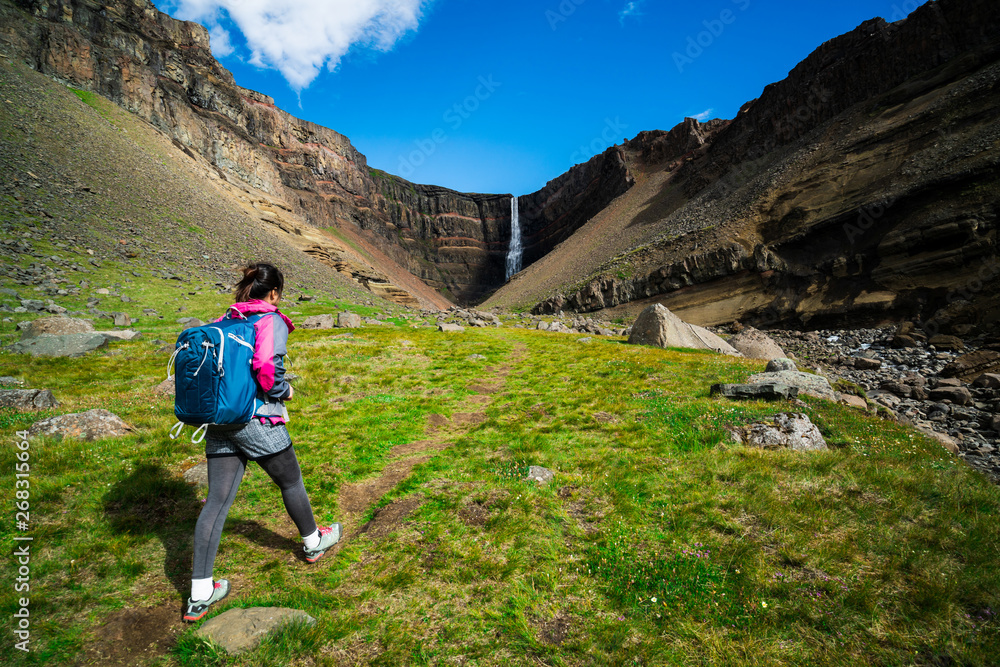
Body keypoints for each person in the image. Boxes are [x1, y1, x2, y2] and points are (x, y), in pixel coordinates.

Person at [184, 262, 341, 623]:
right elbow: (268, 371)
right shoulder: (268, 320)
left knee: (216, 503)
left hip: (220, 420)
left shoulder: (227, 319)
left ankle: (200, 591)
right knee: (290, 480)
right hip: (257, 419)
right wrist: (286, 390)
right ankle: (314, 542)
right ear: (273, 293)